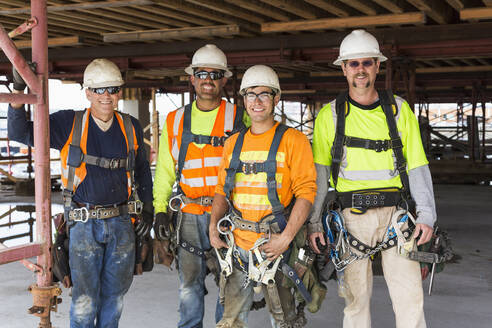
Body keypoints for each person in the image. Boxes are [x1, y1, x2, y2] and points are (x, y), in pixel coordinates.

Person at [8, 58, 153, 327]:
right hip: (84, 225)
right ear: (87, 92)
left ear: (120, 91)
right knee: (85, 301)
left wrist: (148, 211)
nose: (106, 96)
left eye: (112, 89)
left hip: (122, 224)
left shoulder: (130, 126)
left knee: (115, 298)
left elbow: (143, 170)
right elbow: (20, 133)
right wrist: (18, 93)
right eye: (99, 90)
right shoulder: (69, 124)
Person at [308, 29, 437, 328]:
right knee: (355, 303)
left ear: (378, 66)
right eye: (353, 64)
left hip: (396, 217)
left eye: (367, 62)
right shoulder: (330, 116)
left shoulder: (399, 110)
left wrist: (427, 214)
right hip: (352, 220)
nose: (361, 69)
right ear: (343, 68)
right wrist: (315, 221)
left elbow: (418, 165)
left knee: (410, 300)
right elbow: (320, 175)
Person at [209, 65, 317, 328]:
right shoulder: (234, 143)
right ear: (243, 100)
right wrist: (213, 226)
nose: (257, 101)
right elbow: (223, 190)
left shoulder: (294, 140)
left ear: (276, 98)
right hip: (237, 247)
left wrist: (287, 238)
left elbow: (306, 192)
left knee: (284, 320)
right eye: (250, 95)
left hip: (276, 247)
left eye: (264, 94)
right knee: (230, 321)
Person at [153, 44, 247, 328]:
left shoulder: (239, 117)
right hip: (189, 216)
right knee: (189, 289)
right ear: (192, 78)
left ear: (224, 79)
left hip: (229, 217)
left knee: (231, 287)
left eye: (215, 74)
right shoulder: (175, 120)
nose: (208, 79)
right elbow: (166, 170)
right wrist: (159, 210)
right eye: (202, 73)